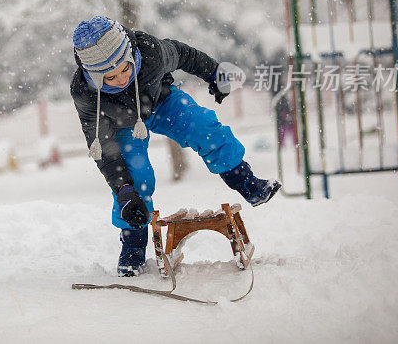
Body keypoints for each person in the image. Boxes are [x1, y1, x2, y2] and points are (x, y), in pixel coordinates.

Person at [70, 16, 280, 277]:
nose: (122, 79)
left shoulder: (149, 52)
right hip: (121, 126)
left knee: (204, 127)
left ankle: (248, 183)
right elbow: (102, 146)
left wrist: (214, 72)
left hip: (161, 103)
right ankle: (133, 244)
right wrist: (123, 190)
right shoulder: (85, 93)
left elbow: (184, 55)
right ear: (94, 76)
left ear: (131, 53)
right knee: (136, 178)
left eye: (125, 68)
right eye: (109, 77)